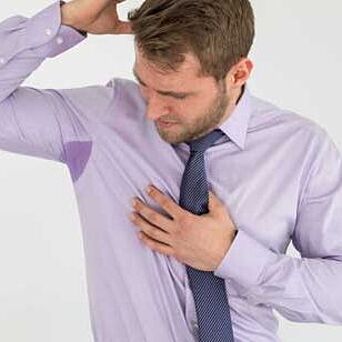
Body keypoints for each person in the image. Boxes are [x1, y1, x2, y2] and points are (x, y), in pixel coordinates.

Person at [1, 0, 342, 341]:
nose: (151, 111)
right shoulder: (99, 123)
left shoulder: (301, 148)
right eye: (144, 85)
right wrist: (62, 22)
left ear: (238, 74)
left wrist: (230, 256)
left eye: (174, 95)